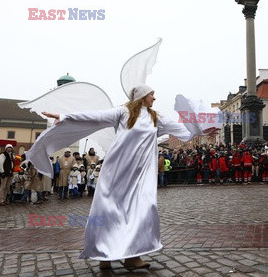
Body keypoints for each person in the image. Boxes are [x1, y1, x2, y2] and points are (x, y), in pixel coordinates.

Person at [26, 84, 217, 269]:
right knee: (109, 210)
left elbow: (182, 130)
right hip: (117, 169)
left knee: (142, 208)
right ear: (142, 96)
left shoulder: (156, 117)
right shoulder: (122, 112)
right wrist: (65, 116)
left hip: (141, 173)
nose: (155, 98)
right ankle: (104, 255)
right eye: (152, 94)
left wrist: (202, 129)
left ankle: (133, 256)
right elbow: (96, 117)